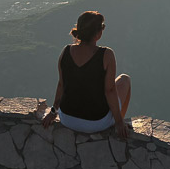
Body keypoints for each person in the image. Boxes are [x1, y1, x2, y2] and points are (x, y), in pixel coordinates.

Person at [41, 10, 131, 139]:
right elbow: (110, 90)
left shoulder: (65, 51)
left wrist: (53, 111)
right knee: (124, 80)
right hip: (96, 122)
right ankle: (119, 121)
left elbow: (62, 84)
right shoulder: (106, 55)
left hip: (67, 118)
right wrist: (119, 122)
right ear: (98, 34)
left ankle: (116, 121)